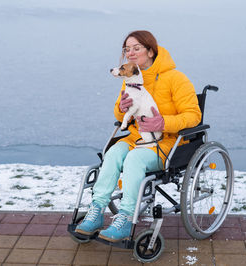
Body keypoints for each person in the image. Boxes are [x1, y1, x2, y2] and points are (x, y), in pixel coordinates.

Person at [75, 30, 202, 242]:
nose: (130, 53)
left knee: (134, 159)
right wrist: (122, 108)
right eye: (127, 49)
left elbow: (194, 116)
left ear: (151, 51)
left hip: (165, 143)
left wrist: (164, 122)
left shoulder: (175, 78)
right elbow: (119, 113)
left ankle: (125, 217)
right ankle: (96, 211)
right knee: (113, 153)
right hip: (136, 138)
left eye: (136, 48)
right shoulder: (129, 78)